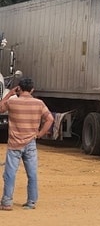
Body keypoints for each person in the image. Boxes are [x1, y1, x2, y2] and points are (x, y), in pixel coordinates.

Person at [0, 77, 54, 211]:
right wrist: (40, 134)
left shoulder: (13, 102)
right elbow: (50, 119)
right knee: (32, 173)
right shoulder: (39, 103)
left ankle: (7, 202)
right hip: (30, 143)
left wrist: (10, 93)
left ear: (19, 88)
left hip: (14, 144)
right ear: (32, 89)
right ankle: (31, 202)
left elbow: (1, 108)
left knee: (10, 174)